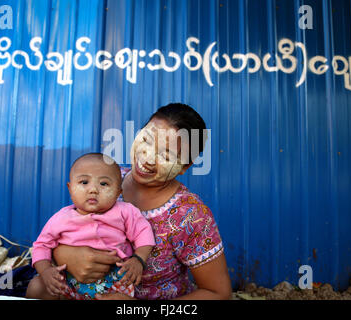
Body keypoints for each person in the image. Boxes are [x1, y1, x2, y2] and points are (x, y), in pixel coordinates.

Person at [53, 103, 232, 300]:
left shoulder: (191, 216)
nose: (147, 158)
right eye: (146, 140)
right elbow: (61, 230)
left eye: (165, 155)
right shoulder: (105, 180)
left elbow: (218, 293)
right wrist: (63, 255)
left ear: (184, 166)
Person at [26, 153, 155, 300]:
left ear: (118, 192)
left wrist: (139, 259)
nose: (93, 189)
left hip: (113, 282)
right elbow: (41, 245)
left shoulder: (125, 211)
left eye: (104, 184)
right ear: (70, 188)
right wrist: (46, 271)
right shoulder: (61, 218)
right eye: (84, 182)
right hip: (68, 282)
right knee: (36, 287)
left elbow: (143, 233)